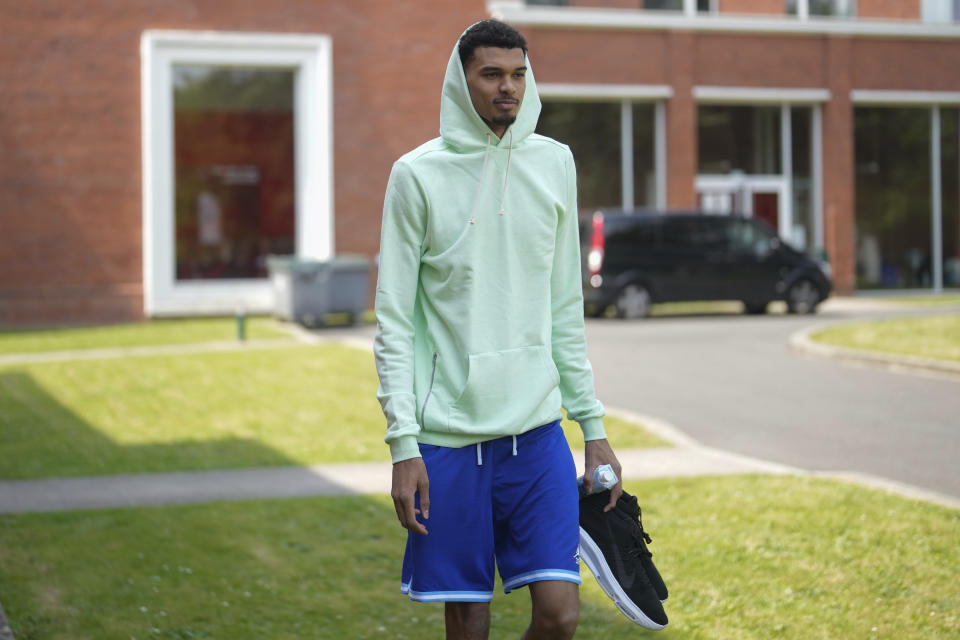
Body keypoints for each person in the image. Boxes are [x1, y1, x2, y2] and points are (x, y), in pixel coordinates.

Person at [374, 19, 622, 639]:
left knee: (561, 614)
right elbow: (394, 322)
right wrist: (403, 445)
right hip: (449, 440)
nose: (507, 88)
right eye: (491, 75)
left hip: (536, 433)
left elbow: (566, 306)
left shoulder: (555, 163)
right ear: (462, 81)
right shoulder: (416, 176)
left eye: (518, 74)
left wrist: (592, 428)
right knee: (469, 618)